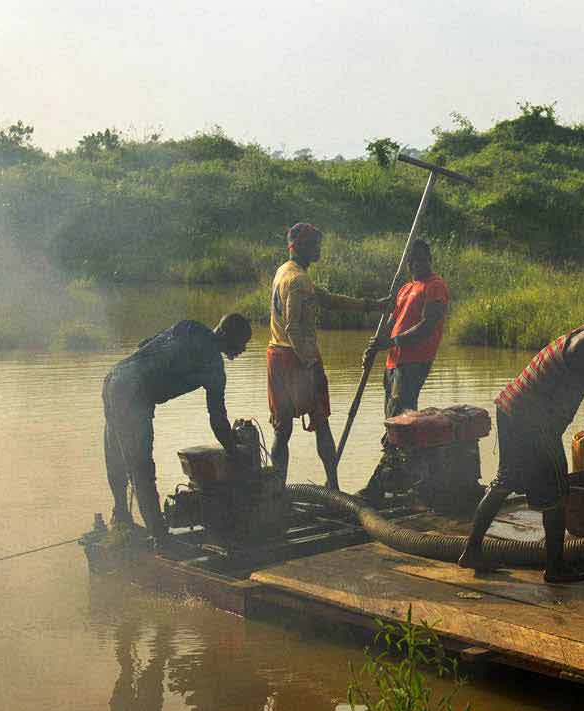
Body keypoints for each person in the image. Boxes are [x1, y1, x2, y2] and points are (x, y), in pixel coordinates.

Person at [459, 280, 584, 583]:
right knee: (556, 489)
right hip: (533, 419)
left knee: (506, 479)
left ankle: (472, 550)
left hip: (512, 407)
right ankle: (555, 568)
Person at [102, 314, 252, 547]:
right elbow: (218, 420)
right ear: (226, 335)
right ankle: (159, 536)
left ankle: (121, 516)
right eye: (242, 342)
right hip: (134, 395)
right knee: (141, 468)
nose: (243, 349)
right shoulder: (213, 368)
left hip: (115, 378)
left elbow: (145, 345)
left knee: (117, 458)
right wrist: (234, 452)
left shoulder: (189, 326)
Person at [267, 222, 388, 489]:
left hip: (277, 355)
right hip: (297, 358)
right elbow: (293, 326)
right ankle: (332, 485)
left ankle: (277, 490)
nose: (319, 249)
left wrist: (371, 306)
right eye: (314, 244)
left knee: (282, 428)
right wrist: (308, 362)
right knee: (320, 422)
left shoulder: (285, 272)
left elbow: (326, 299)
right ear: (301, 247)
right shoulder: (298, 280)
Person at [357, 239, 449, 500]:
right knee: (395, 421)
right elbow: (391, 323)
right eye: (413, 261)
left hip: (413, 362)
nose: (418, 264)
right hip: (393, 362)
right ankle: (410, 479)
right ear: (408, 264)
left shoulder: (435, 287)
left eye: (422, 259)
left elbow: (428, 326)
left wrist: (394, 341)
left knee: (398, 420)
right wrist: (375, 346)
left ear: (430, 259)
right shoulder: (406, 288)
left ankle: (380, 485)